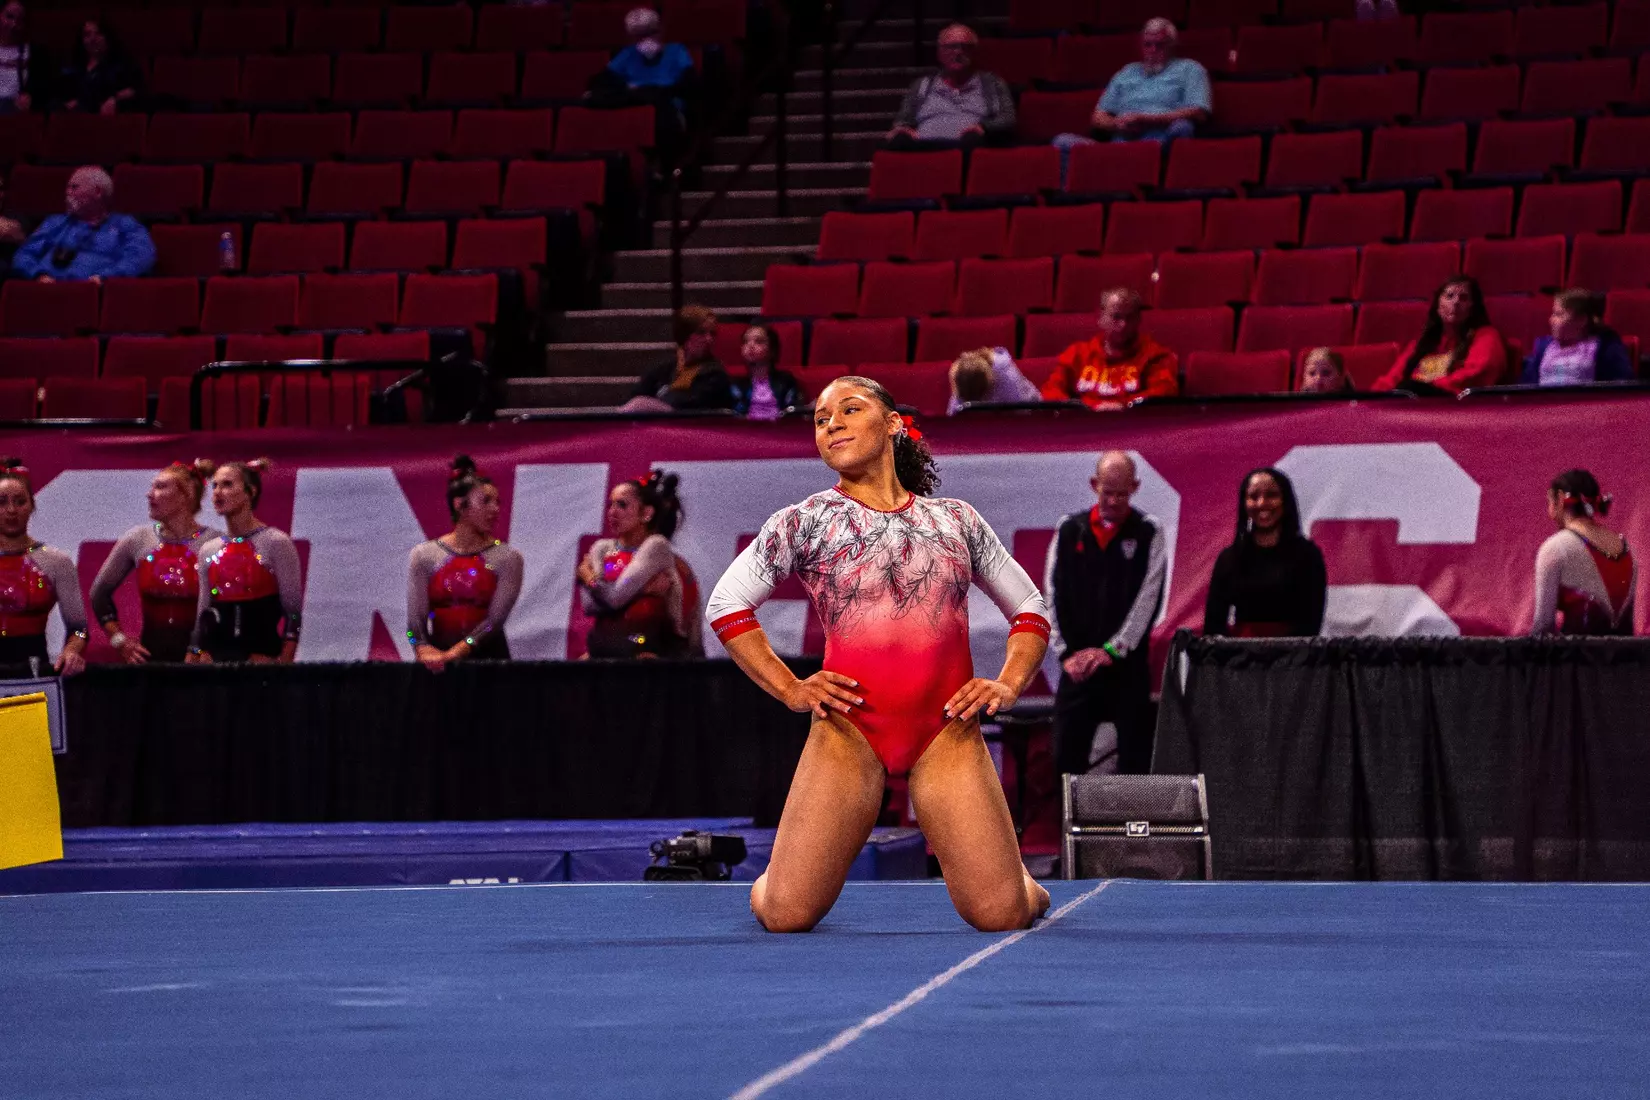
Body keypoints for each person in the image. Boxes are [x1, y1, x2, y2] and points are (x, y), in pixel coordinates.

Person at [707, 376, 1053, 933]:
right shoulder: (804, 521)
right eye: (821, 419)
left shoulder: (956, 520)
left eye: (849, 409)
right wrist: (791, 688)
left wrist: (1009, 683)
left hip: (946, 731)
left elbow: (1031, 610)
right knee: (785, 915)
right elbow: (727, 605)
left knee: (1003, 915)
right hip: (850, 731)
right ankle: (774, 878)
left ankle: (1019, 883)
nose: (833, 423)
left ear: (893, 423)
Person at [1044, 451, 1168, 777]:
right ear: (1094, 485)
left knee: (1135, 762)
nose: (1113, 500)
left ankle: (1131, 827)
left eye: (1122, 493)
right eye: (1107, 492)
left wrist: (1115, 648)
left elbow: (1148, 599)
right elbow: (1052, 595)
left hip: (1125, 667)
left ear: (1136, 487)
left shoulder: (1149, 533)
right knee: (1065, 761)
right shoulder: (1069, 530)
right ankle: (1067, 828)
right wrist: (1067, 653)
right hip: (1077, 667)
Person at [89, 461, 220, 664]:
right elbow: (98, 595)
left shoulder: (214, 543)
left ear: (187, 496)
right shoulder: (138, 539)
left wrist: (205, 649)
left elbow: (231, 607)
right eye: (152, 487)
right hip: (150, 661)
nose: (149, 494)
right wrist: (119, 640)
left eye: (160, 487)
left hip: (201, 665)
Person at [1052, 18, 1211, 180]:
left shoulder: (1190, 69)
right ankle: (1070, 199)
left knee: (1183, 127)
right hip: (1118, 148)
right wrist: (1117, 124)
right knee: (1062, 142)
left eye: (1160, 45)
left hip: (1158, 147)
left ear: (1172, 46)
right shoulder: (1127, 73)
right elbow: (1097, 118)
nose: (1153, 50)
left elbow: (1198, 112)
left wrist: (1147, 120)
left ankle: (1162, 179)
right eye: (1147, 45)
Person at [406, 455, 524, 670]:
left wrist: (459, 651)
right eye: (486, 501)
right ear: (460, 505)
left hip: (489, 664)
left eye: (498, 502)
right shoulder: (424, 555)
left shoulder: (508, 558)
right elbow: (414, 622)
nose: (495, 509)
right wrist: (421, 647)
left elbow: (493, 623)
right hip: (437, 663)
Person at [187, 460, 303, 664]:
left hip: (260, 661)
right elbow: (202, 613)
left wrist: (284, 662)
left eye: (227, 485)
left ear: (250, 492)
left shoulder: (276, 543)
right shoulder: (209, 550)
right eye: (214, 486)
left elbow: (293, 613)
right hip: (215, 663)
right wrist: (194, 653)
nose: (217, 492)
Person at [578, 471, 702, 658]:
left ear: (647, 513)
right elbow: (590, 607)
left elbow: (613, 598)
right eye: (611, 504)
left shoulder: (659, 549)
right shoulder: (604, 549)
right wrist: (640, 591)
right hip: (609, 651)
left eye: (622, 505)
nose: (612, 512)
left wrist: (591, 580)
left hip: (652, 652)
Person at [1203, 467, 1327, 637]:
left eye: (1271, 495)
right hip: (1238, 657)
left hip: (1295, 657)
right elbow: (1213, 625)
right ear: (1244, 503)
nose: (1262, 503)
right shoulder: (1229, 558)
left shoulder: (1308, 556)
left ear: (1285, 500)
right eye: (1253, 497)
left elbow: (1311, 622)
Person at [0, 458, 86, 674]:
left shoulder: (57, 562)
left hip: (34, 672)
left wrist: (71, 651)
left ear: (32, 505)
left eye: (20, 501)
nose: (11, 510)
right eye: (1, 502)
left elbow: (81, 630)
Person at [1532, 469, 1635, 635]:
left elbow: (1543, 629)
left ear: (1559, 498)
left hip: (1577, 659)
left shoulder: (1556, 548)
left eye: (1549, 500)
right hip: (1627, 659)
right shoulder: (1627, 548)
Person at [1040, 288, 1180, 410]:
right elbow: (1051, 391)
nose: (1123, 324)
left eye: (1130, 317)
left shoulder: (1155, 355)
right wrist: (1087, 409)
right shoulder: (1077, 354)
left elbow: (1164, 392)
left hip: (1135, 429)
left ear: (1139, 319)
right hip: (1083, 428)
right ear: (1101, 317)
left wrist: (1124, 406)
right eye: (1116, 317)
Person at [10, 165, 155, 282]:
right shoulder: (55, 222)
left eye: (74, 187)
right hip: (46, 292)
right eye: (67, 187)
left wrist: (106, 277)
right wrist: (38, 275)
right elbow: (24, 254)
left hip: (92, 295)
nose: (68, 193)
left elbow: (141, 257)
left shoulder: (125, 225)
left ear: (98, 192)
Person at [1373, 276, 1507, 395]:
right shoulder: (1422, 343)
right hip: (1413, 403)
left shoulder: (1486, 336)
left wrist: (1429, 387)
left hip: (1454, 406)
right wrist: (1373, 397)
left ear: (1473, 308)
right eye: (1449, 296)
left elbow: (1478, 374)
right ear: (1438, 305)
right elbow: (1393, 378)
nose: (1455, 302)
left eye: (1464, 298)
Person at [888, 24, 1015, 148]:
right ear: (939, 53)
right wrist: (902, 129)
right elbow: (902, 120)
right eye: (951, 47)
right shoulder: (922, 85)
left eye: (965, 47)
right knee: (897, 142)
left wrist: (984, 127)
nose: (958, 52)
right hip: (923, 147)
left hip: (968, 147)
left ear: (975, 52)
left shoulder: (992, 83)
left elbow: (1008, 119)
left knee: (973, 142)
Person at [623, 304, 734, 413]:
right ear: (684, 335)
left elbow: (688, 405)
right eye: (701, 333)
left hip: (694, 427)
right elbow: (636, 394)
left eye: (712, 334)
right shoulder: (664, 368)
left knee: (640, 404)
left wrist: (653, 402)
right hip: (659, 426)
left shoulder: (716, 374)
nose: (709, 339)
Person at [1521, 289, 1636, 387]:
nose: (1551, 320)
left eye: (1559, 314)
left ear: (1582, 320)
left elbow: (1621, 387)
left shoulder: (1605, 346)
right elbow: (1526, 387)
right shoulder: (1544, 347)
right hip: (1544, 410)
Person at [55, 18, 139, 114]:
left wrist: (116, 98)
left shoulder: (123, 65)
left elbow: (134, 90)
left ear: (107, 37)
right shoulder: (72, 68)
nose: (93, 39)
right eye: (87, 35)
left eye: (98, 33)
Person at [729, 323, 805, 421]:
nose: (750, 346)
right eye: (745, 342)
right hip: (746, 432)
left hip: (780, 432)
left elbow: (793, 412)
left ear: (772, 349)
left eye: (759, 342)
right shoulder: (737, 385)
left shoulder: (786, 381)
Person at [947, 346, 1040, 414]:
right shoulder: (963, 375)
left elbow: (1023, 414)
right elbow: (955, 413)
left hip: (1030, 414)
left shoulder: (1008, 378)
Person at [0, 1, 48, 114]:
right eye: (9, 17)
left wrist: (30, 97)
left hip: (15, 112)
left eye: (19, 20)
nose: (14, 24)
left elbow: (43, 89)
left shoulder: (36, 53)